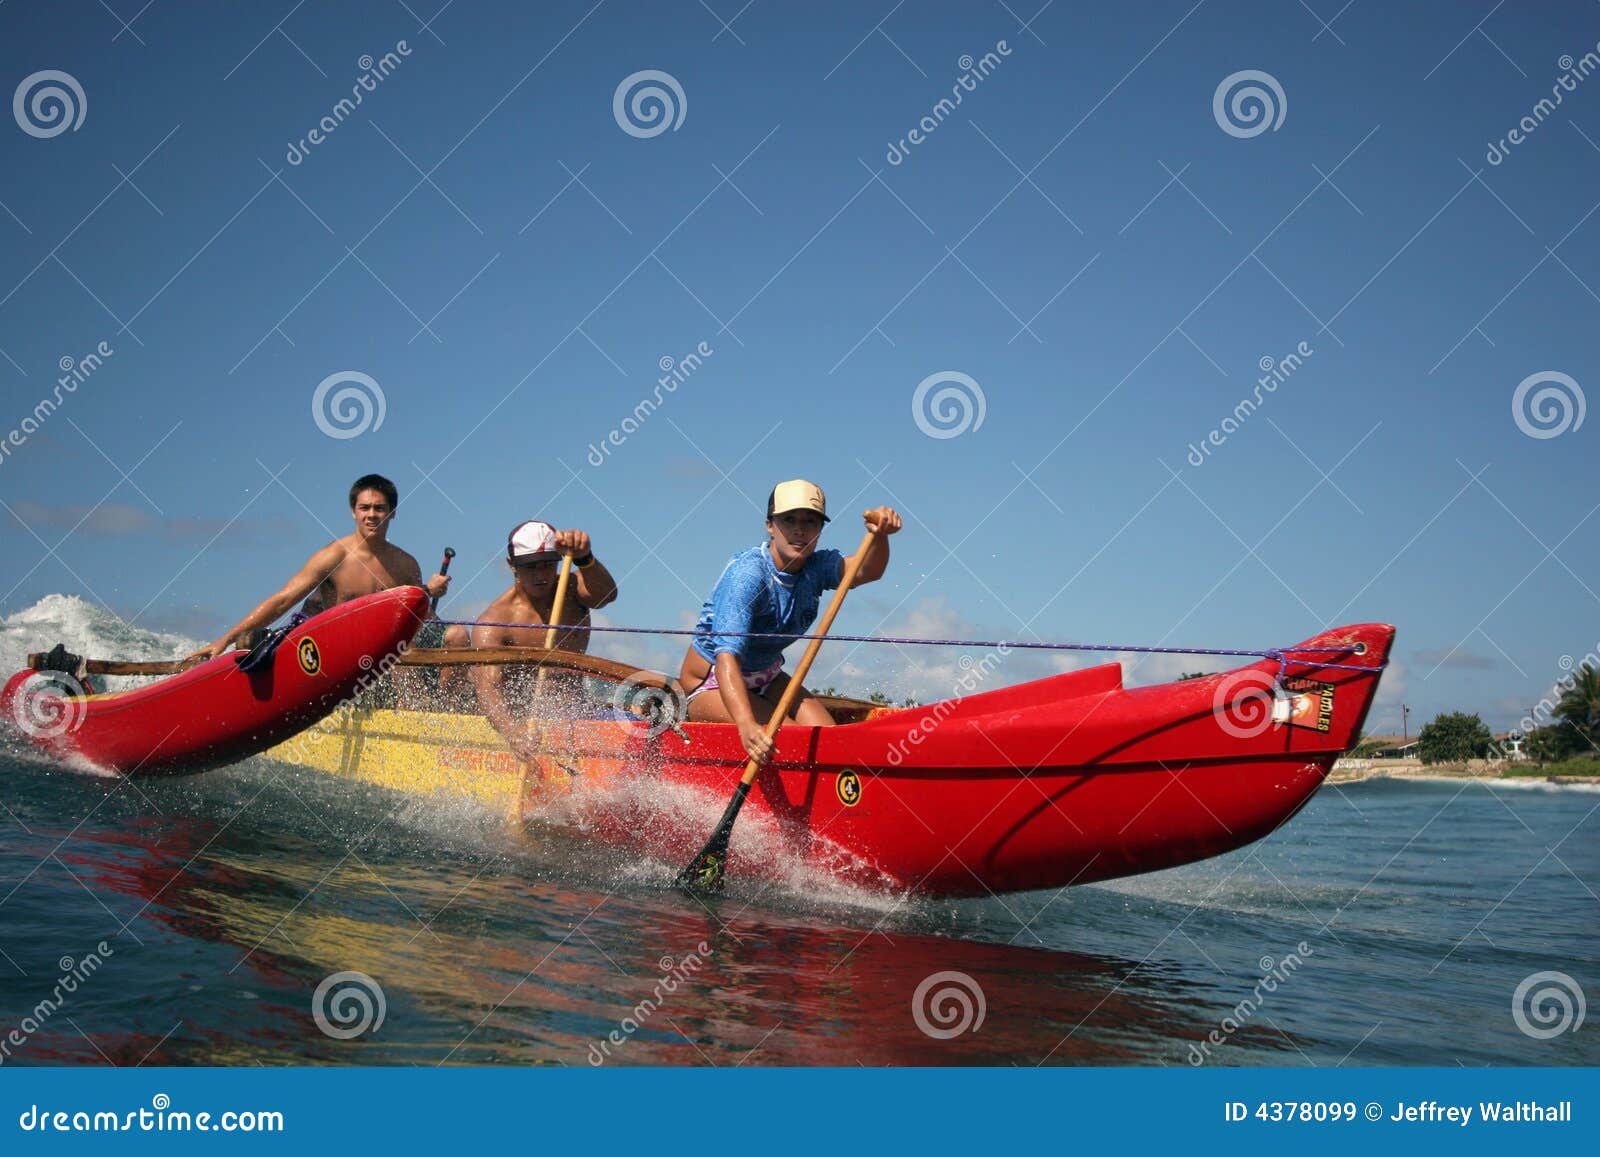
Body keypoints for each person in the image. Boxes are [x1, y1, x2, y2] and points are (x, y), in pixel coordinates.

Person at [679, 480, 901, 763]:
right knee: (794, 742)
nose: (800, 530)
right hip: (712, 681)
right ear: (770, 526)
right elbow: (727, 659)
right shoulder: (747, 576)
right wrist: (746, 725)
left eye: (810, 521)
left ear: (820, 530)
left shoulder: (816, 567)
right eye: (789, 520)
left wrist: (880, 537)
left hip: (767, 675)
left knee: (828, 739)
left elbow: (866, 571)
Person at [185, 474, 450, 663]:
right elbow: (283, 599)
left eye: (379, 508)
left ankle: (443, 712)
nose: (371, 515)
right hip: (336, 653)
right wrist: (226, 639)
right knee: (253, 643)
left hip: (384, 655)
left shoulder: (405, 564)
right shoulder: (333, 556)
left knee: (455, 635)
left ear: (393, 513)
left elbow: (419, 619)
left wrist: (428, 592)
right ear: (354, 512)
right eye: (365, 508)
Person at [465, 520, 618, 762]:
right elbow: (487, 688)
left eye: (547, 565)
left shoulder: (572, 589)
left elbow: (606, 596)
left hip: (579, 714)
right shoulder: (495, 622)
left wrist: (585, 558)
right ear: (512, 565)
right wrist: (513, 734)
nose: (540, 575)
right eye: (530, 567)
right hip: (525, 722)